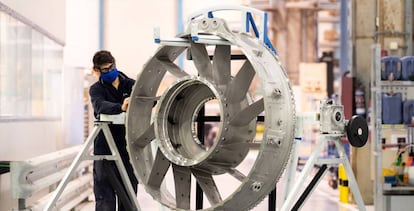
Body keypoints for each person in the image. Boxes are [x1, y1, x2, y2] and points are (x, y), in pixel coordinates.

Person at [89, 50, 138, 210]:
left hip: (126, 148)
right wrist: (120, 106)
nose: (110, 71)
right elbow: (99, 106)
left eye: (112, 67)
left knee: (129, 192)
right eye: (105, 70)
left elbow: (146, 99)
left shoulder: (131, 84)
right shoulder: (96, 89)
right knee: (105, 196)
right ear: (96, 70)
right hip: (105, 149)